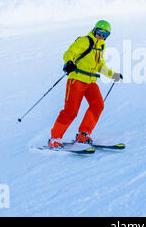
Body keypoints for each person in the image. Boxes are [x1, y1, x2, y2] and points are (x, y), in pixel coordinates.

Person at [48, 20, 122, 149]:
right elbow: (69, 53)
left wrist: (113, 75)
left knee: (98, 105)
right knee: (71, 111)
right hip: (76, 79)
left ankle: (83, 134)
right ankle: (54, 139)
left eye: (105, 34)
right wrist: (69, 62)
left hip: (90, 82)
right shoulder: (84, 41)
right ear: (94, 30)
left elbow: (100, 66)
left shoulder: (101, 46)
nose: (101, 36)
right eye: (99, 32)